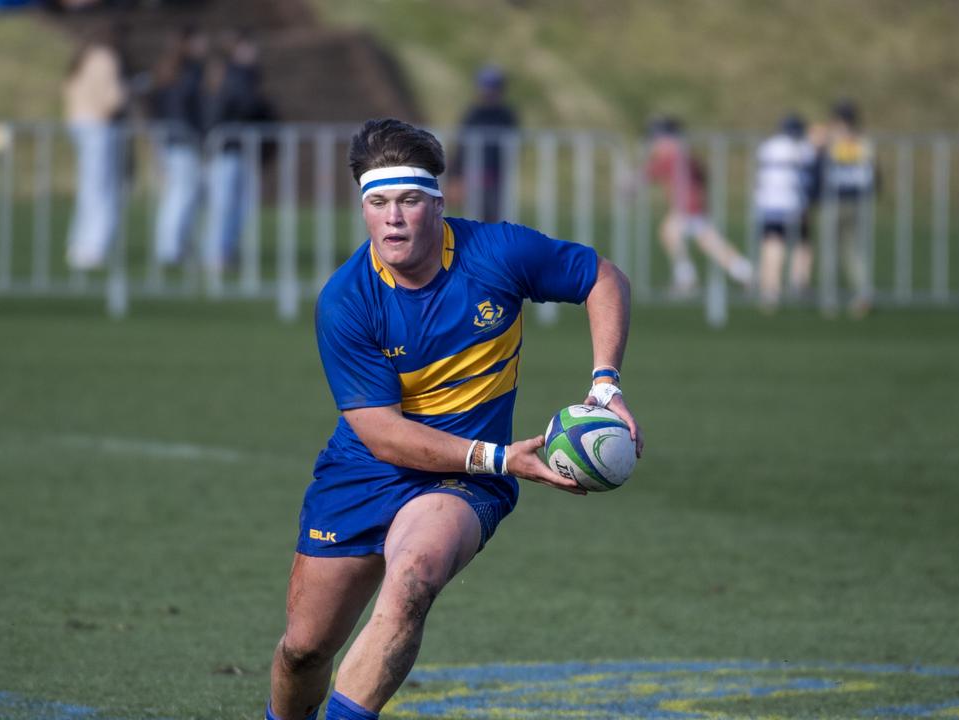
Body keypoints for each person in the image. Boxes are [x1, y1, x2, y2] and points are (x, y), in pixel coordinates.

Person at [265, 118, 643, 720]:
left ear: (438, 204)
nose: (393, 218)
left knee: (412, 578)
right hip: (369, 468)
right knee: (304, 650)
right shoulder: (346, 300)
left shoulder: (497, 253)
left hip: (464, 480)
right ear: (362, 209)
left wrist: (605, 384)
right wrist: (501, 456)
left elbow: (602, 277)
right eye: (378, 202)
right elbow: (380, 433)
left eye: (410, 201)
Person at [644, 116, 753, 298]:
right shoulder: (685, 154)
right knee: (709, 243)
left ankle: (687, 277)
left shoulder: (674, 155)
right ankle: (745, 272)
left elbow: (650, 172)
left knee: (673, 234)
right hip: (692, 205)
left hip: (687, 207)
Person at [202, 29, 269, 273]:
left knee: (237, 204)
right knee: (225, 204)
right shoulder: (235, 77)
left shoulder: (240, 76)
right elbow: (246, 106)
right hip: (227, 148)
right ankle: (216, 253)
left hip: (235, 149)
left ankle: (224, 251)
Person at [63, 22, 128, 271]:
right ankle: (93, 246)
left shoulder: (83, 58)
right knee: (102, 189)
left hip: (78, 124)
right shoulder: (105, 58)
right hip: (99, 126)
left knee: (89, 187)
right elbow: (112, 98)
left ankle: (79, 243)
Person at [151, 25, 209, 267]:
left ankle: (173, 246)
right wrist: (196, 137)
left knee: (178, 194)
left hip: (171, 140)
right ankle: (171, 248)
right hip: (183, 141)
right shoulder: (188, 72)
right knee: (181, 195)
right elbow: (186, 109)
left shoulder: (168, 70)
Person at [814, 100, 876, 319]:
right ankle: (862, 294)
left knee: (831, 250)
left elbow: (819, 164)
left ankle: (829, 298)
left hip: (836, 199)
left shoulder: (833, 142)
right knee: (853, 251)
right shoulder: (863, 142)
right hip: (858, 201)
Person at [754, 114, 817, 312]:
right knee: (802, 242)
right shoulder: (803, 147)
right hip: (794, 204)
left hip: (769, 203)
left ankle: (770, 291)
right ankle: (799, 283)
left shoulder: (768, 146)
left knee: (772, 244)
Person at [449, 65, 518, 222]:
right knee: (474, 219)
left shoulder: (507, 116)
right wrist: (455, 176)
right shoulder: (473, 114)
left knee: (496, 219)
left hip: (496, 177)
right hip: (473, 175)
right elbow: (461, 147)